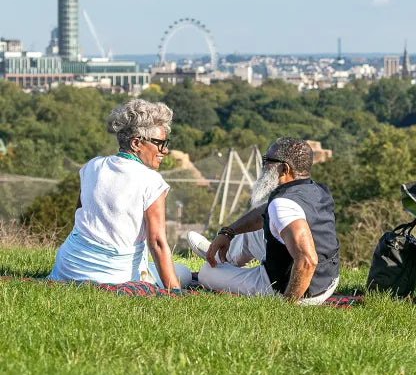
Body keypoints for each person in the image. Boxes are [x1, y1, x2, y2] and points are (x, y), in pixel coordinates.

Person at [47, 99, 191, 289]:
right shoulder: (151, 181)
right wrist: (174, 293)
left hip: (67, 269)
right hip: (115, 276)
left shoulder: (92, 166)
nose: (165, 150)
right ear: (136, 143)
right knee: (185, 274)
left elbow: (79, 212)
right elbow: (156, 242)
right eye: (160, 143)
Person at [189, 137, 340, 305]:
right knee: (253, 234)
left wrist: (286, 305)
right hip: (327, 280)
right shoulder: (316, 189)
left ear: (284, 169)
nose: (263, 165)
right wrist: (228, 232)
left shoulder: (283, 204)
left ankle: (219, 265)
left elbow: (308, 260)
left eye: (267, 160)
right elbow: (266, 212)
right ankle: (222, 256)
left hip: (297, 291)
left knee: (206, 273)